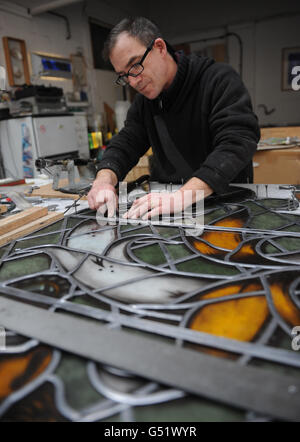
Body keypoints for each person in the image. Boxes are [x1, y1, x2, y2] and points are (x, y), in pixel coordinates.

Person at [87, 17, 260, 220]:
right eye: (124, 75)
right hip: (168, 205)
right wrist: (103, 180)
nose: (133, 81)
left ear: (159, 47)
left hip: (225, 202)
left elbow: (237, 141)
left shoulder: (217, 79)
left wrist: (182, 197)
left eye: (135, 66)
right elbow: (126, 143)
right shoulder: (144, 102)